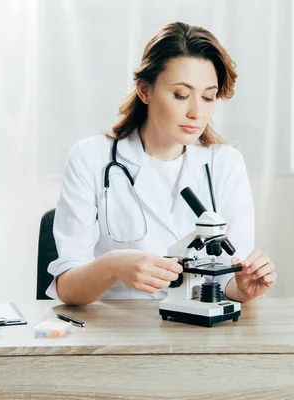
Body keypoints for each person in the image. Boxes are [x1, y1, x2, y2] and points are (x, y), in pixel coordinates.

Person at [46, 21, 276, 305]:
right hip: (117, 331)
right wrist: (112, 266)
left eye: (208, 97)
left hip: (198, 331)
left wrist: (244, 286)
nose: (196, 112)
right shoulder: (91, 158)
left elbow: (229, 275)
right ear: (145, 91)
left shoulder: (226, 163)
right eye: (181, 95)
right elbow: (68, 288)